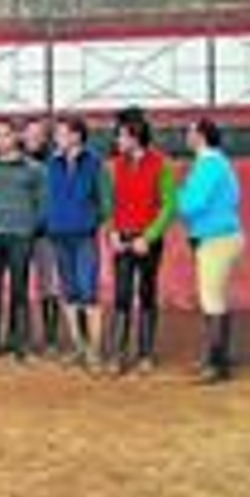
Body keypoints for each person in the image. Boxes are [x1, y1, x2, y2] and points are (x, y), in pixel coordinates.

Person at [103, 110, 177, 376]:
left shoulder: (161, 165)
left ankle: (146, 353)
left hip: (148, 240)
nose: (117, 139)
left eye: (121, 135)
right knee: (122, 294)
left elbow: (169, 206)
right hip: (122, 238)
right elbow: (109, 203)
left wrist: (149, 236)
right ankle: (117, 354)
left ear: (135, 136)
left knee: (147, 293)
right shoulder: (115, 165)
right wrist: (111, 232)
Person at [178, 119, 244, 385]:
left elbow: (191, 204)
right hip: (221, 236)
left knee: (211, 301)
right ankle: (216, 358)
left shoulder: (208, 164)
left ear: (201, 136)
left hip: (214, 238)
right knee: (214, 298)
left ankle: (218, 365)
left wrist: (174, 195)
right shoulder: (218, 163)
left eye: (190, 132)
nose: (186, 136)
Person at [0, 119, 46, 361]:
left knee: (19, 290)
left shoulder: (34, 168)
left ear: (16, 137)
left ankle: (20, 344)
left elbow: (43, 203)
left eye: (5, 135)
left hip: (20, 237)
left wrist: (31, 228)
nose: (0, 140)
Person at [47, 117, 108, 371]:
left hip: (84, 236)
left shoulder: (94, 164)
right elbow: (45, 196)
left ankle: (95, 351)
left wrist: (92, 221)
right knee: (69, 292)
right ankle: (78, 347)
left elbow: (105, 200)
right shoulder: (51, 164)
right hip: (58, 235)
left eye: (61, 133)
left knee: (88, 291)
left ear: (76, 136)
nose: (56, 137)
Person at [22, 118, 63, 358]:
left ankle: (50, 339)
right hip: (19, 233)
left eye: (37, 135)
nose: (32, 139)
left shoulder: (54, 163)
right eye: (28, 135)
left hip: (46, 235)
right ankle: (23, 337)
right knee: (21, 286)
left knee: (50, 286)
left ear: (45, 137)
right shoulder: (18, 162)